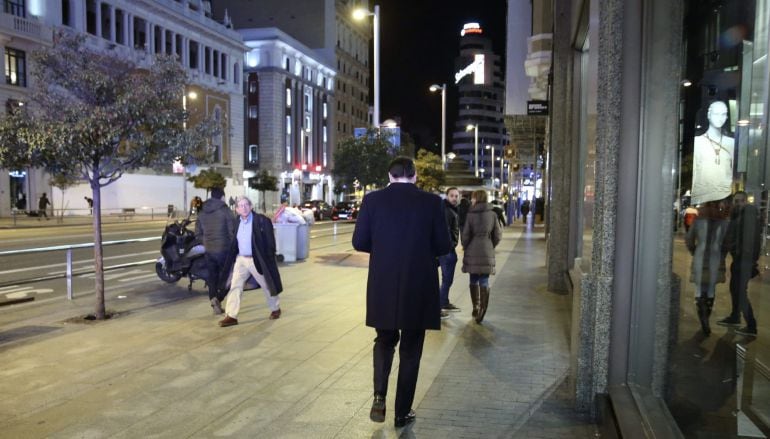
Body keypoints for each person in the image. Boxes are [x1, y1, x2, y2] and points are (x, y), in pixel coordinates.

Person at [352, 156, 451, 429]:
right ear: (415, 176)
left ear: (389, 176)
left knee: (384, 341)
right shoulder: (432, 203)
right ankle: (402, 413)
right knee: (411, 349)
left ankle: (379, 395)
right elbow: (444, 245)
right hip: (418, 285)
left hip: (383, 284)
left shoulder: (373, 201)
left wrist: (385, 246)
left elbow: (359, 241)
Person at [218, 196, 283, 327]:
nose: (244, 208)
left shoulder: (261, 221)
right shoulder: (237, 222)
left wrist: (268, 259)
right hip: (241, 260)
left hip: (256, 260)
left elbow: (271, 243)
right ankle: (231, 315)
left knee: (266, 285)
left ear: (251, 206)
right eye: (240, 206)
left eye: (246, 204)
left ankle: (275, 308)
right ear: (236, 209)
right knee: (235, 286)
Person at [717, 191, 760, 336]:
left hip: (744, 261)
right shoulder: (739, 217)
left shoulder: (748, 216)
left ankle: (751, 325)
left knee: (740, 292)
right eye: (736, 201)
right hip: (739, 260)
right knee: (734, 289)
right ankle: (735, 316)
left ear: (746, 201)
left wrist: (749, 261)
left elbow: (749, 242)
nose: (738, 204)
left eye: (741, 201)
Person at [685, 200, 729, 336]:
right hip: (715, 256)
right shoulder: (723, 220)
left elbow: (689, 239)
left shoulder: (699, 219)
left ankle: (703, 318)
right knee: (710, 289)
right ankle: (706, 317)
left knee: (699, 288)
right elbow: (727, 243)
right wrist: (722, 255)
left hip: (700, 254)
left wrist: (694, 250)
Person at [462, 190, 502, 323]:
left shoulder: (470, 215)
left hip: (472, 249)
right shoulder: (493, 214)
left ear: (476, 198)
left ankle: (476, 306)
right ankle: (482, 311)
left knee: (473, 279)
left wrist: (466, 246)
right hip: (486, 249)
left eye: (473, 198)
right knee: (484, 280)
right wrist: (490, 245)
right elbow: (498, 235)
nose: (471, 200)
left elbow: (466, 235)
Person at [195, 187, 235, 315]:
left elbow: (198, 233)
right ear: (222, 197)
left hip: (209, 250)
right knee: (229, 277)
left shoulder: (202, 211)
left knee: (212, 277)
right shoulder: (225, 210)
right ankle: (219, 298)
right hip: (224, 249)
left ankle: (213, 299)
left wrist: (207, 241)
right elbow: (232, 232)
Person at [691, 101, 735, 205]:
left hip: (724, 198)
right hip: (701, 199)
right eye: (716, 114)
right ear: (709, 115)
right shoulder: (698, 142)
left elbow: (733, 171)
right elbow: (694, 172)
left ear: (727, 117)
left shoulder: (731, 143)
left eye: (723, 114)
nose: (720, 118)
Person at [439, 187, 461, 318]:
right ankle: (440, 305)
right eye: (452, 195)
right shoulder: (446, 210)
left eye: (456, 196)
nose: (454, 198)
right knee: (447, 279)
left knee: (448, 279)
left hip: (449, 249)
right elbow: (445, 231)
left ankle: (445, 302)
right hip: (447, 250)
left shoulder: (452, 209)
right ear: (447, 196)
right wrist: (450, 245)